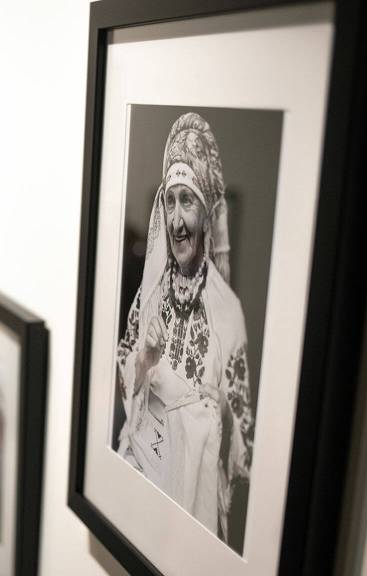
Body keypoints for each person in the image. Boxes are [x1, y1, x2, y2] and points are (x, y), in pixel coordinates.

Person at [115, 112, 254, 552]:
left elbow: (241, 441)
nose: (176, 220)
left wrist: (202, 415)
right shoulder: (150, 294)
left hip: (189, 493)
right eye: (169, 201)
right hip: (142, 470)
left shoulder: (226, 313)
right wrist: (146, 359)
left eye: (187, 201)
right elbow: (126, 381)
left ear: (207, 213)